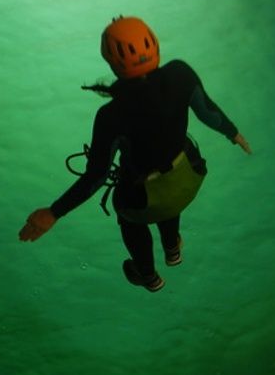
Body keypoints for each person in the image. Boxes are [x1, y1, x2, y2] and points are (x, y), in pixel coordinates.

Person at [18, 16, 251, 292]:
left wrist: (54, 212)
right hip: (188, 179)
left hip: (143, 202)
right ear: (154, 45)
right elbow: (209, 113)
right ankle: (172, 247)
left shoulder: (110, 116)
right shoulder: (180, 73)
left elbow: (96, 177)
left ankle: (148, 275)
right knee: (168, 191)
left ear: (112, 62)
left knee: (129, 214)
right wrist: (234, 133)